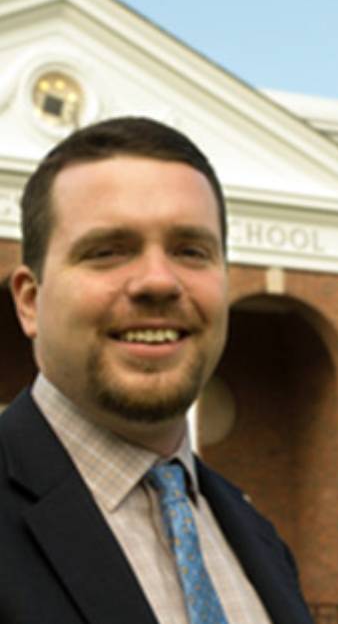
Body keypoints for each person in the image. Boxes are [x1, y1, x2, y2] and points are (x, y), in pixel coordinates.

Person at [0, 117, 315, 624]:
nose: (158, 282)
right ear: (31, 302)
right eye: (107, 252)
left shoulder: (259, 539)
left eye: (191, 251)